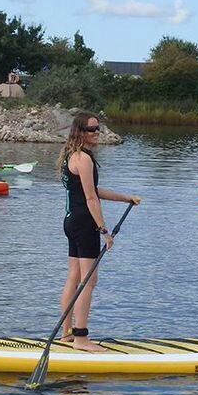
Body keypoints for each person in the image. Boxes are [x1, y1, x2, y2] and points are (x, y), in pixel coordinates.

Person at [57, 111, 141, 352]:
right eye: (92, 129)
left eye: (98, 128)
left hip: (71, 221)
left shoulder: (71, 156)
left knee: (74, 277)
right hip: (84, 224)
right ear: (80, 132)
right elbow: (92, 198)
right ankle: (81, 339)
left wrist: (125, 198)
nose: (97, 133)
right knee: (89, 280)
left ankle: (66, 334)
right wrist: (104, 230)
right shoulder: (84, 159)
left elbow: (91, 190)